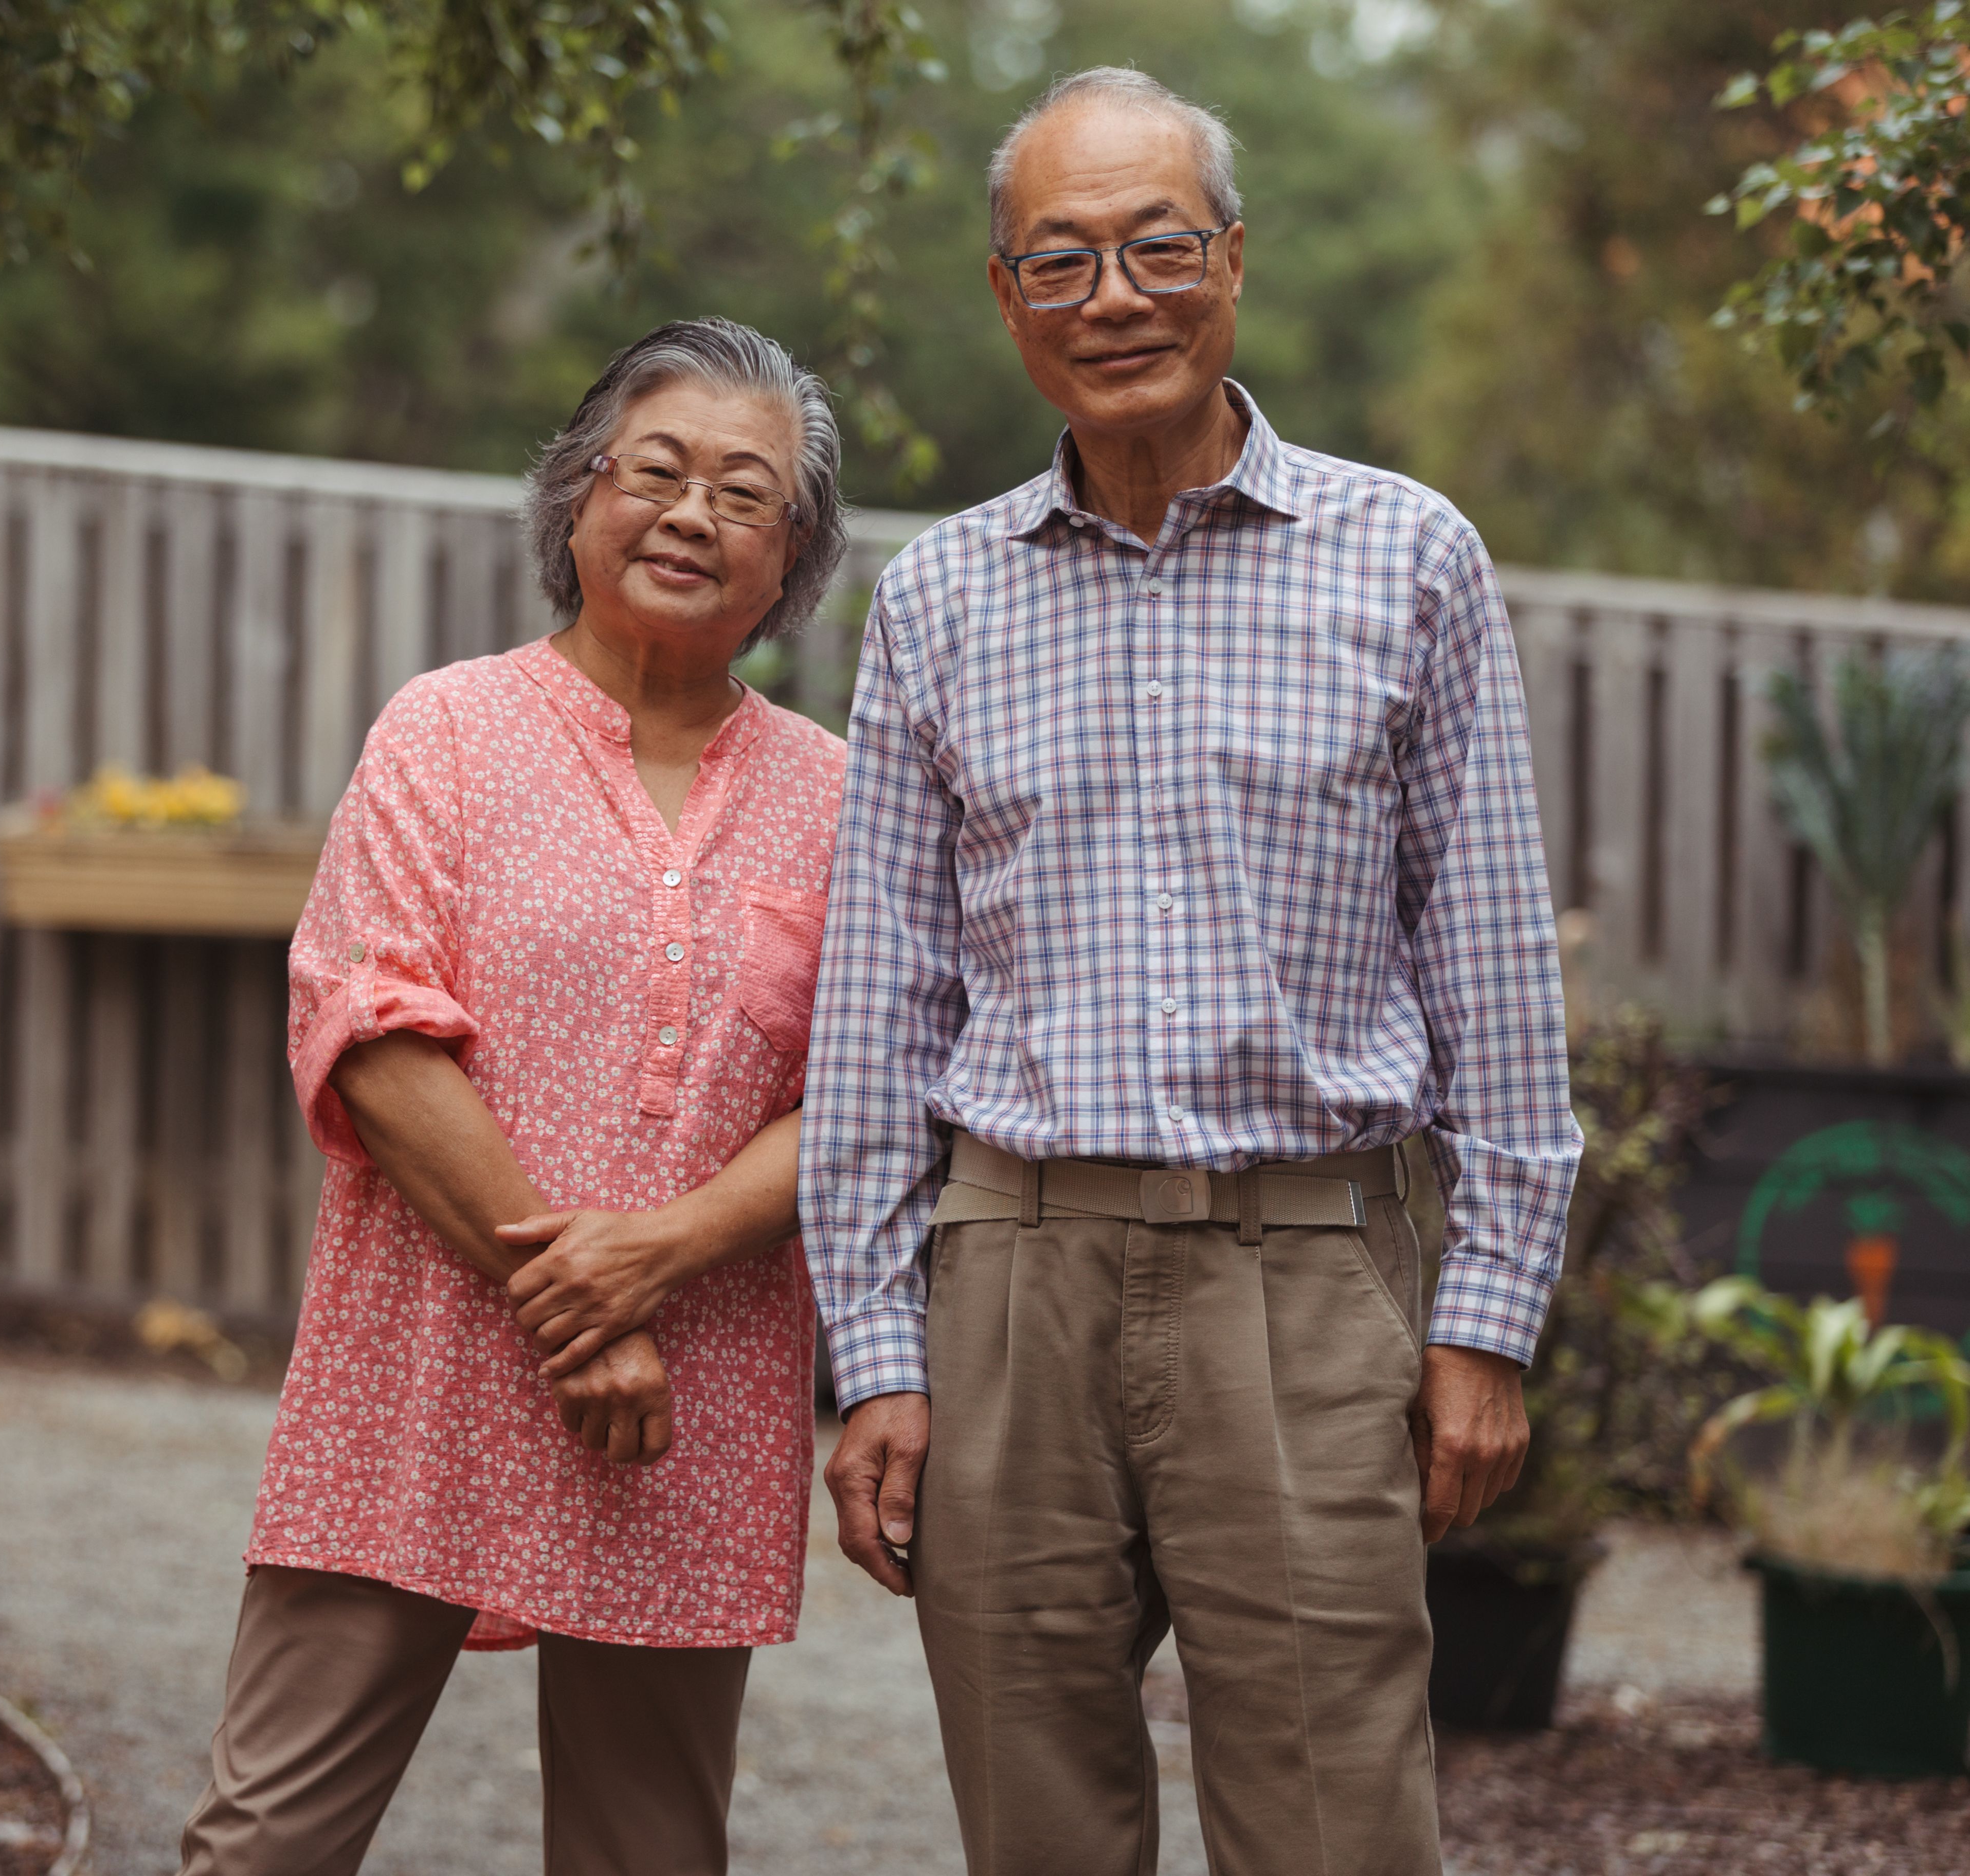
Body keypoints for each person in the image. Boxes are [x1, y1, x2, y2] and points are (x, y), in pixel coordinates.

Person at [801, 67, 1582, 1875]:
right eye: (1060, 263)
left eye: (1159, 247)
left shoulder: (1408, 560)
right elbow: (878, 1019)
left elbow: (1492, 977)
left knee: (1334, 1817)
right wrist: (877, 1357)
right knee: (1035, 1818)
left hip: (1304, 1276)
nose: (1116, 299)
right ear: (1005, 298)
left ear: (1233, 259)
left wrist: (1487, 1320)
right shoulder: (939, 600)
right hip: (1008, 1276)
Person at [179, 316, 852, 1876]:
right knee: (266, 1836)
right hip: (418, 1374)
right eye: (657, 470)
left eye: (745, 495)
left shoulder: (839, 793)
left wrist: (663, 1258)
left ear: (794, 555)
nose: (692, 514)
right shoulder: (451, 729)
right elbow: (371, 1029)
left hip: (693, 1403)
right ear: (576, 495)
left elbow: (871, 1093)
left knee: (649, 1854)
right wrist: (588, 1303)